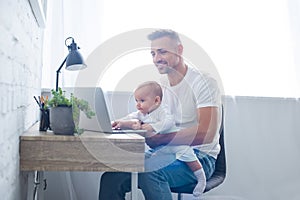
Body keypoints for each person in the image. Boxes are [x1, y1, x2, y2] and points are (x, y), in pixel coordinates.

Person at [99, 29, 222, 200]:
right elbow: (146, 117)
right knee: (112, 178)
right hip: (165, 152)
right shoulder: (160, 87)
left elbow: (206, 134)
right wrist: (122, 124)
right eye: (153, 53)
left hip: (200, 157)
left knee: (151, 173)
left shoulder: (203, 82)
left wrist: (161, 139)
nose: (157, 58)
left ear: (179, 50)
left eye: (162, 51)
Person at [111, 81, 207, 198]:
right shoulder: (142, 113)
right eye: (136, 101)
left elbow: (168, 122)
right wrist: (119, 122)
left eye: (142, 101)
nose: (138, 104)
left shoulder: (162, 111)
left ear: (156, 101)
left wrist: (152, 127)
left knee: (190, 158)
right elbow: (131, 117)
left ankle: (201, 178)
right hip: (161, 148)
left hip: (175, 145)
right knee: (142, 159)